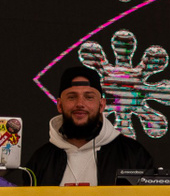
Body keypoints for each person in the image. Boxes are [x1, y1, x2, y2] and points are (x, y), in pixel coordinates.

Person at [26, 63, 155, 187]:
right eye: (72, 97)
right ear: (60, 105)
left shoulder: (133, 155)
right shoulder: (41, 160)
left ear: (102, 105)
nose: (80, 104)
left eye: (89, 97)